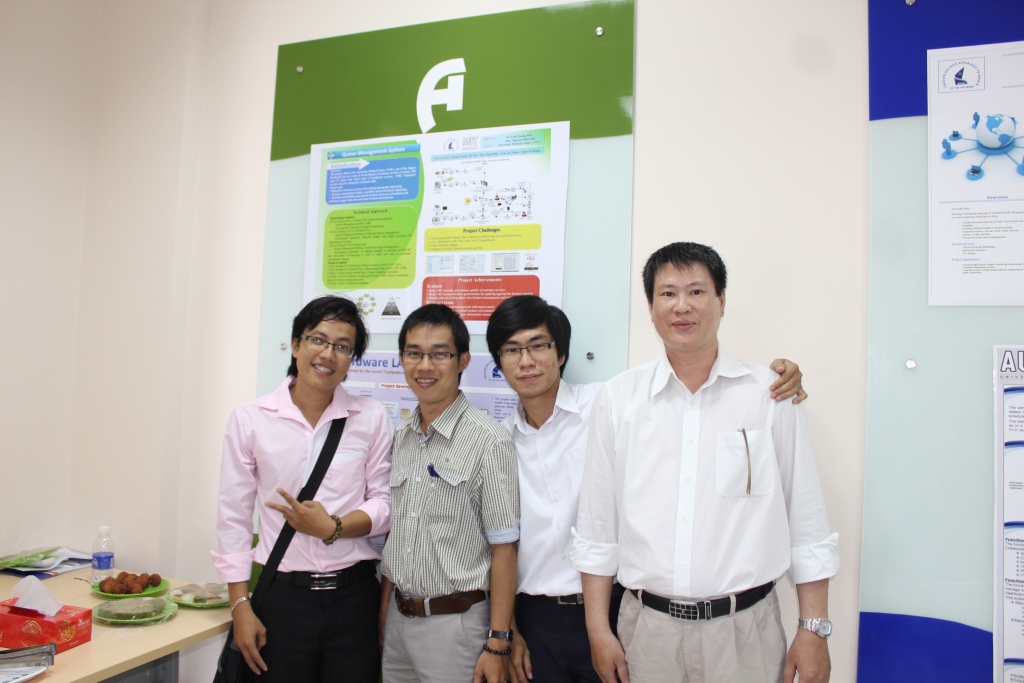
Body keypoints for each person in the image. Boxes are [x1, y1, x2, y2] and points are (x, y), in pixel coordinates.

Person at [485, 296, 807, 683]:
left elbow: (688, 403)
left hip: (610, 606)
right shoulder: (497, 442)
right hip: (535, 619)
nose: (526, 361)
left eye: (538, 345)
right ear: (498, 361)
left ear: (562, 353)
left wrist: (779, 377)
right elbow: (501, 543)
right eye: (511, 350)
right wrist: (507, 630)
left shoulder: (612, 404)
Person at [572, 242, 839, 683]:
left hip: (746, 633)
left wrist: (814, 629)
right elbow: (597, 526)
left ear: (721, 301)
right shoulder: (619, 398)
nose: (682, 306)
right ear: (651, 306)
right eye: (668, 293)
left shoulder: (770, 394)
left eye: (696, 291)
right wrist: (598, 631)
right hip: (647, 631)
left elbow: (805, 520)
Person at [213, 296, 392, 682]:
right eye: (318, 340)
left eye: (342, 346)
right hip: (282, 598)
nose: (328, 354)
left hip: (354, 595)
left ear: (352, 359)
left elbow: (384, 504)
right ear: (296, 345)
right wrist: (240, 605)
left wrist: (335, 527)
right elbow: (234, 519)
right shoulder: (250, 420)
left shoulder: (371, 418)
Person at [380, 304, 520, 683]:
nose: (425, 366)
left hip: (456, 626)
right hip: (398, 620)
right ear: (401, 359)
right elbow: (398, 534)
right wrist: (384, 614)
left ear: (463, 361)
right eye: (414, 353)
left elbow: (504, 549)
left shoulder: (489, 440)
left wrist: (499, 642)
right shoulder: (401, 437)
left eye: (439, 354)